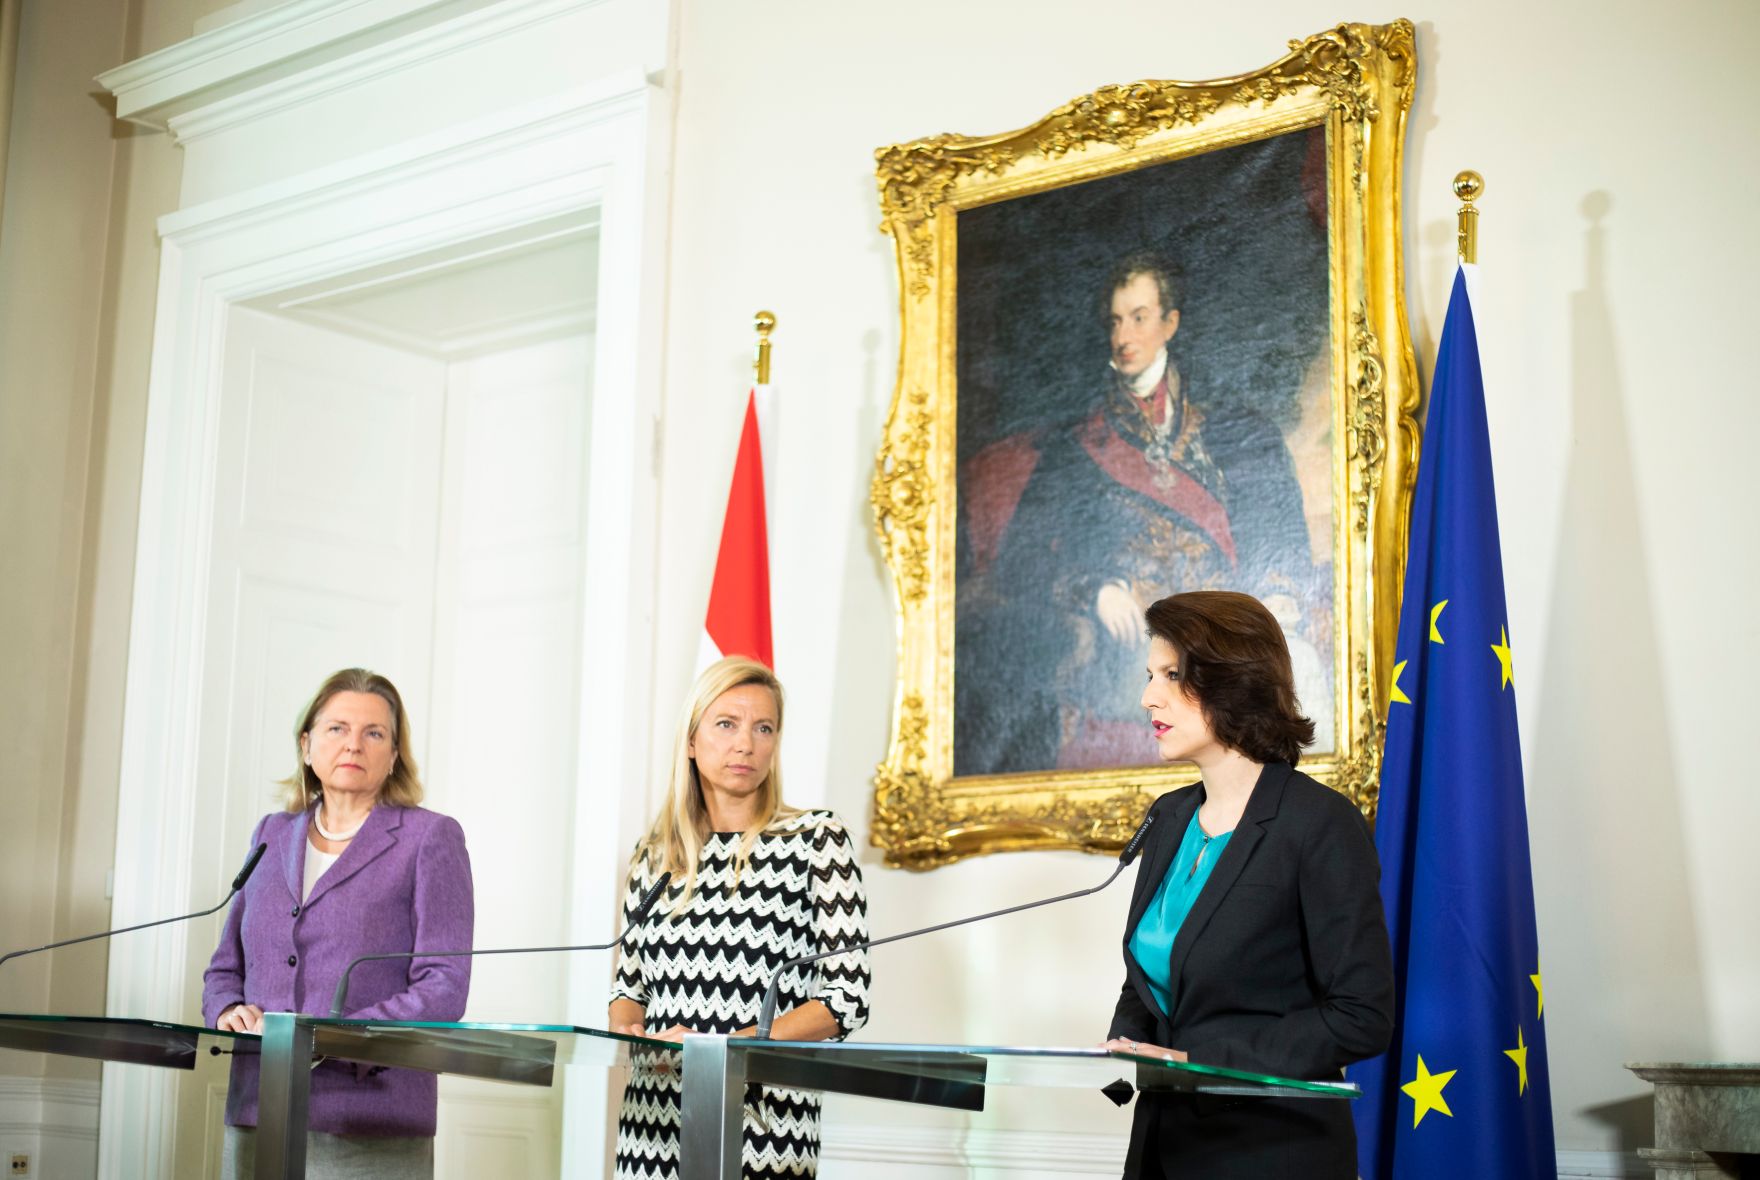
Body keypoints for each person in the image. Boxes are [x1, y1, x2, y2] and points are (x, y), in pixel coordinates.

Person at [956, 253, 1314, 776]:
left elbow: (1278, 529)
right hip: (1134, 643)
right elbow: (1022, 557)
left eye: (1140, 317)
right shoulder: (1076, 446)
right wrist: (1095, 587)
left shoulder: (1234, 427)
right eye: (1116, 320)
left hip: (1225, 636)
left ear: (1170, 323)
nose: (1125, 334)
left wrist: (1276, 597)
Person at [1101, 591, 1392, 1178]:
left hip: (1271, 1151)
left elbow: (1361, 1016)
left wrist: (1198, 1061)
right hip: (1162, 1146)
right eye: (1149, 675)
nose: (1147, 696)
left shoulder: (1319, 823)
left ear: (1231, 681)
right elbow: (1153, 977)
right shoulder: (1169, 816)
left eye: (1171, 675)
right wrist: (1124, 1042)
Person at [202, 668, 474, 1180]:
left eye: (374, 733)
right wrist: (227, 1010)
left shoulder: (430, 838)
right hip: (260, 1105)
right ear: (307, 745)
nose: (354, 744)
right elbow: (224, 969)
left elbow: (444, 985)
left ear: (394, 754)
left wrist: (341, 1034)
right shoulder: (271, 833)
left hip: (367, 1117)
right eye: (336, 729)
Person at [609, 656, 871, 1180]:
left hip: (767, 1125)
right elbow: (629, 990)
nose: (745, 743)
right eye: (726, 723)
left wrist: (721, 1050)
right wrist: (635, 1034)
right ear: (691, 739)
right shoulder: (655, 854)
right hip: (655, 1121)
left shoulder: (817, 839)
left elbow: (847, 1000)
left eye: (764, 727)